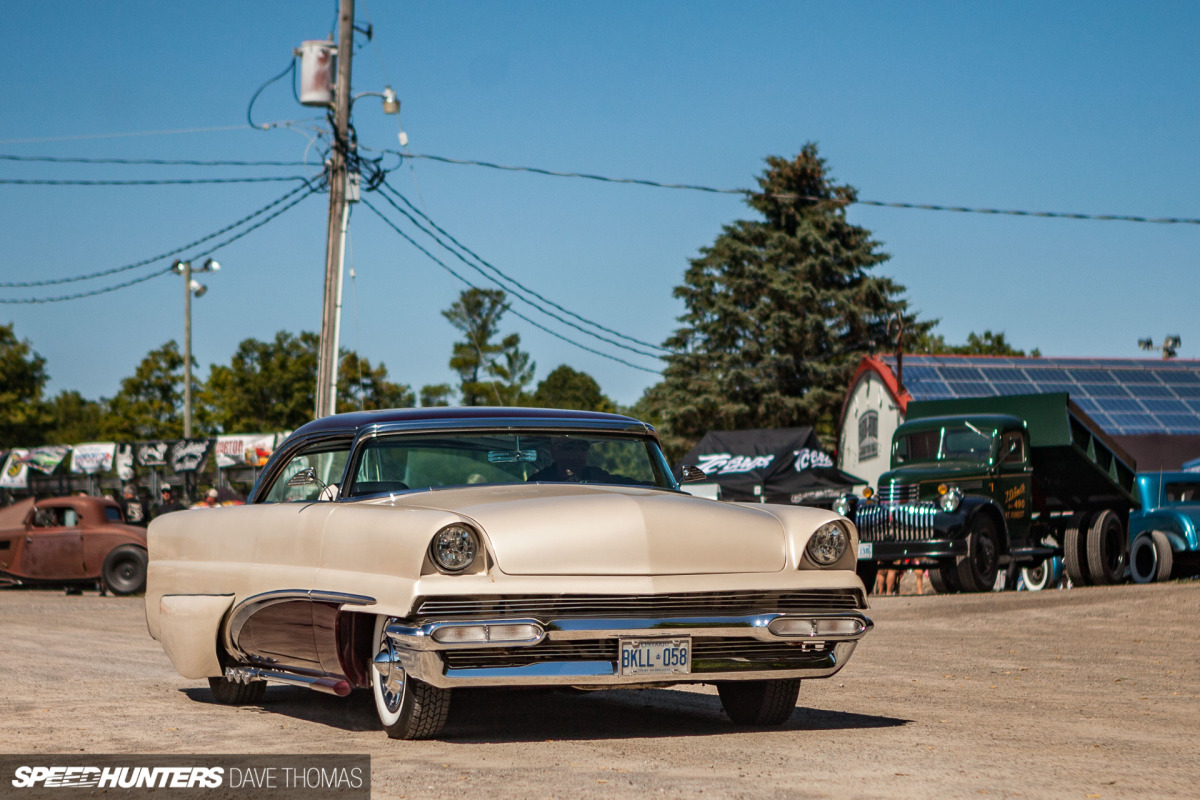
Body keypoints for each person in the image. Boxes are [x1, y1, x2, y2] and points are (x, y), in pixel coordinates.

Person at [529, 438, 615, 483]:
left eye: (583, 447)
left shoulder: (598, 477)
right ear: (554, 451)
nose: (578, 453)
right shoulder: (539, 481)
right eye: (569, 447)